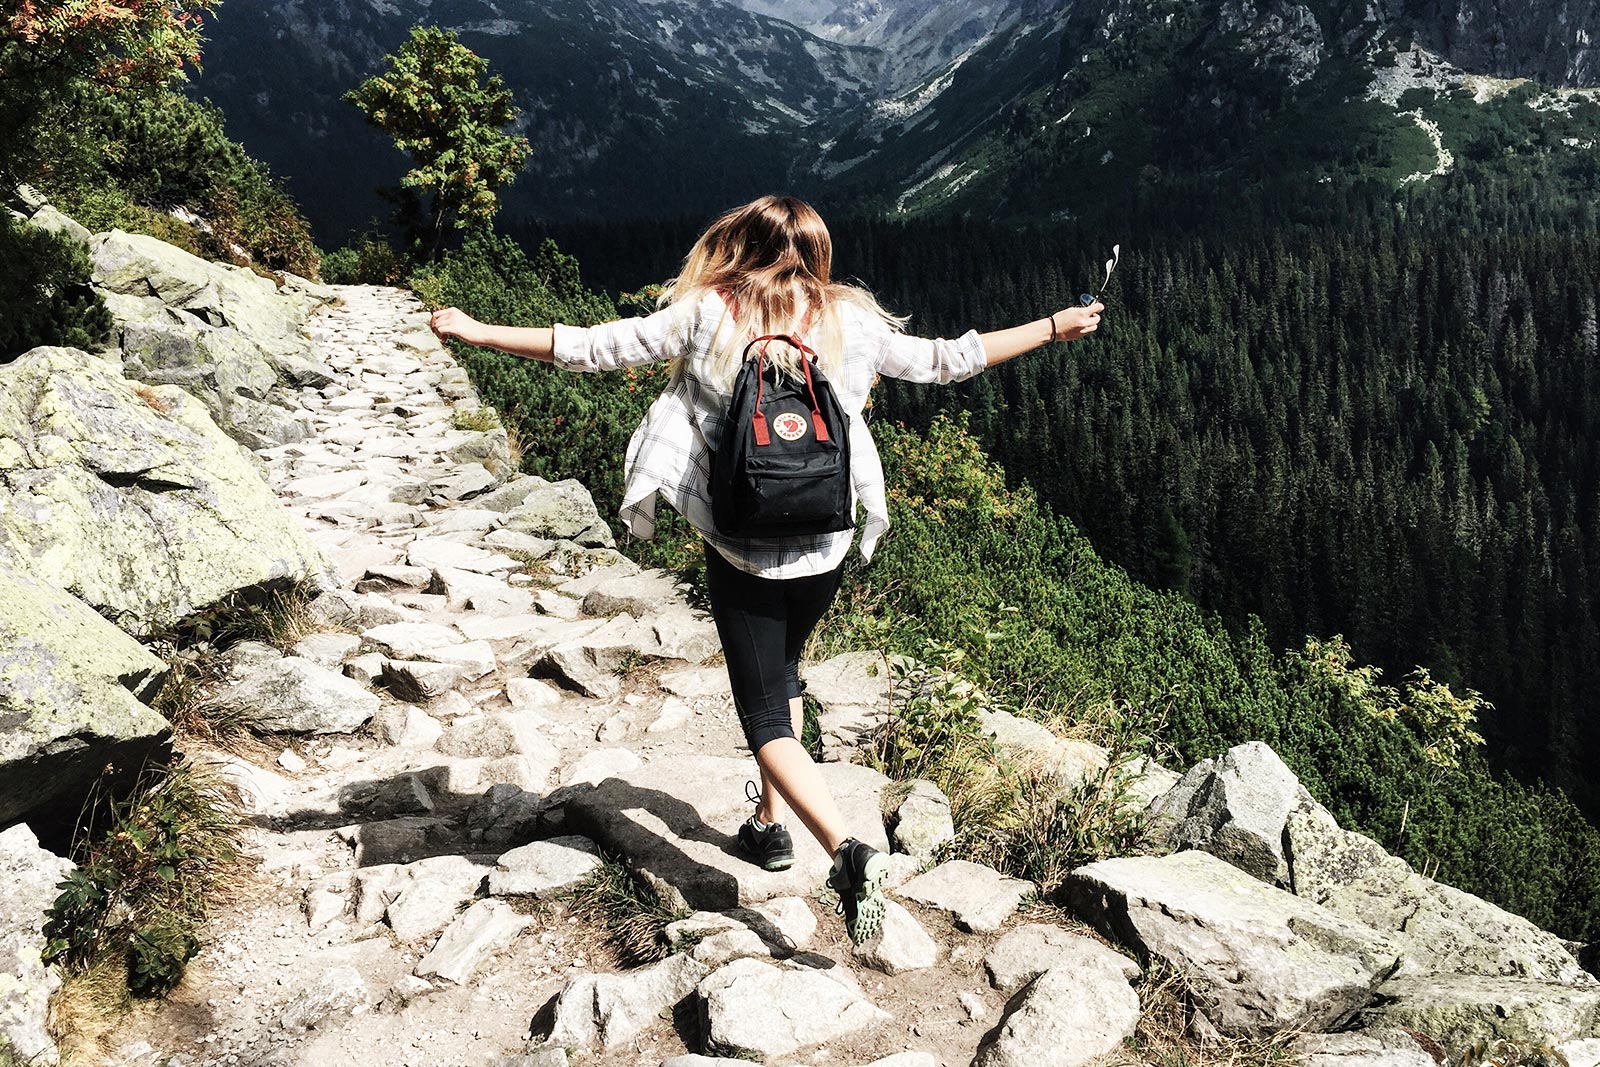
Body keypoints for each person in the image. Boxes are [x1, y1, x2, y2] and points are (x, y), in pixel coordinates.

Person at [428, 195, 1104, 943]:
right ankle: (767, 825)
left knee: (763, 712)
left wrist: (479, 330)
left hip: (742, 547)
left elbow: (594, 346)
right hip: (825, 542)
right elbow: (952, 360)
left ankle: (846, 852)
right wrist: (1053, 325)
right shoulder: (852, 319)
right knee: (784, 671)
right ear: (818, 254)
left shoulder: (706, 311)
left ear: (740, 247)